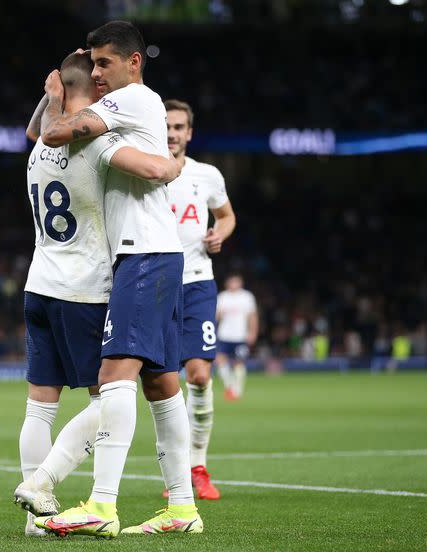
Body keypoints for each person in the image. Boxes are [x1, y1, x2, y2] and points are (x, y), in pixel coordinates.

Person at [32, 21, 202, 537]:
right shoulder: (124, 107)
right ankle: (182, 509)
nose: (100, 73)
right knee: (161, 384)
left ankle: (102, 506)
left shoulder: (130, 98)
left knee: (113, 377)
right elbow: (42, 134)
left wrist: (58, 94)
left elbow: (52, 132)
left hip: (142, 254)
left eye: (106, 63)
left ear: (134, 62)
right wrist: (63, 91)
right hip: (153, 253)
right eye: (95, 65)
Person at [163, 98, 236, 500]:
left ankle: (198, 468)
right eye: (167, 126)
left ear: (189, 132)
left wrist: (220, 233)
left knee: (200, 375)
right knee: (164, 384)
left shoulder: (207, 175)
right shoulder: (146, 170)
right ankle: (174, 472)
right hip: (157, 285)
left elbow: (226, 215)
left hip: (197, 284)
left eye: (179, 127)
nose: (172, 133)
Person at [216, 273, 258, 400]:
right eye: (232, 281)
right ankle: (229, 386)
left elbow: (252, 316)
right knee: (220, 360)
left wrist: (253, 332)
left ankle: (237, 389)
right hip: (224, 334)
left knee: (239, 363)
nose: (234, 284)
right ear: (227, 283)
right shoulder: (222, 297)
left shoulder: (247, 297)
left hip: (240, 335)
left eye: (236, 281)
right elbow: (216, 317)